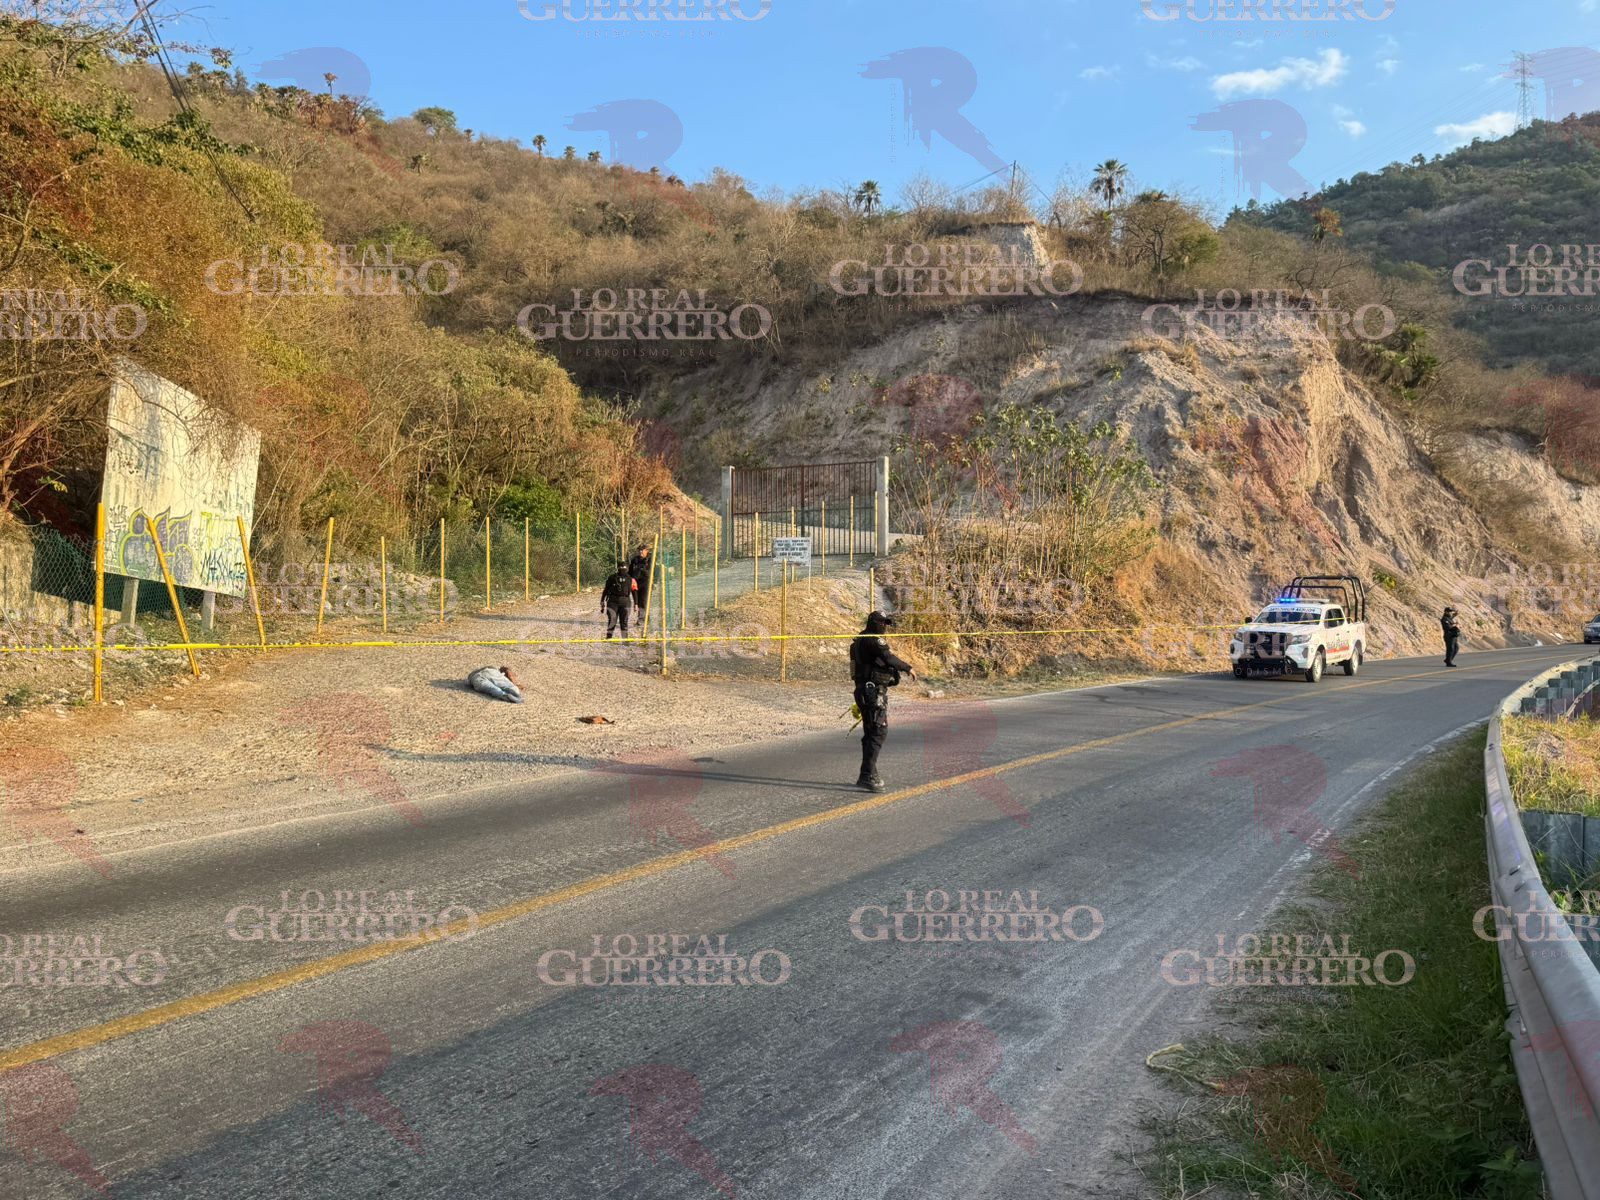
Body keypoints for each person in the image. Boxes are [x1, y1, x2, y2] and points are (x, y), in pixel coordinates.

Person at [849, 610, 915, 792]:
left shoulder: (858, 641)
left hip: (864, 690)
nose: (884, 626)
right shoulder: (873, 640)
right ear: (873, 623)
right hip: (872, 692)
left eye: (886, 623)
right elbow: (888, 657)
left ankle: (867, 773)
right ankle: (867, 775)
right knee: (879, 731)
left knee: (871, 731)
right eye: (882, 623)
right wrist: (908, 668)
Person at [602, 561, 636, 639]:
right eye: (620, 567)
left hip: (625, 601)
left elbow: (634, 591)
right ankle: (609, 637)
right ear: (618, 568)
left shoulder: (631, 579)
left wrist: (636, 604)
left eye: (624, 567)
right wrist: (602, 600)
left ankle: (625, 639)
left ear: (627, 568)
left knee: (624, 621)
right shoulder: (612, 578)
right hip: (613, 601)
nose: (622, 569)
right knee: (612, 620)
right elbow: (606, 589)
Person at [627, 543, 653, 622]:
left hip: (646, 583)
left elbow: (651, 572)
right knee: (637, 602)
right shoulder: (634, 560)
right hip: (635, 583)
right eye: (639, 550)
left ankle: (644, 619)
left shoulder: (650, 560)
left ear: (647, 551)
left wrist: (642, 569)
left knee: (643, 601)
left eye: (642, 550)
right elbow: (630, 572)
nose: (641, 552)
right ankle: (642, 618)